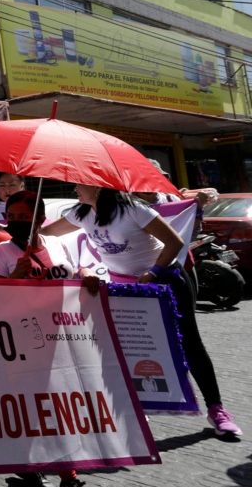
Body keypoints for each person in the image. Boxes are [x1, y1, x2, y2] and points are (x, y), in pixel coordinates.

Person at [42, 185, 242, 438]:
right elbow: (45, 233)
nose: (74, 188)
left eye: (80, 183)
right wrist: (0, 230)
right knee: (130, 348)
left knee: (190, 343)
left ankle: (217, 409)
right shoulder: (81, 213)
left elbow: (174, 242)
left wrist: (153, 274)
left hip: (164, 281)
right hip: (126, 289)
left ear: (97, 185)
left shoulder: (132, 208)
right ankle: (136, 407)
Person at [0, 191, 100, 487]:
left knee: (55, 409)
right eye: (12, 216)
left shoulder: (58, 245)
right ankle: (71, 482)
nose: (16, 222)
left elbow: (77, 274)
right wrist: (14, 278)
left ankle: (31, 466)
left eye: (24, 217)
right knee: (49, 410)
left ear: (40, 219)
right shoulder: (1, 253)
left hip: (64, 338)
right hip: (25, 345)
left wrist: (88, 276)